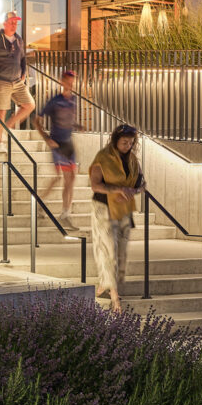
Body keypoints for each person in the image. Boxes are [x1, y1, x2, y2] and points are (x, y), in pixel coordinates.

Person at [89, 124, 144, 312]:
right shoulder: (103, 158)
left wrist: (133, 191)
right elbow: (95, 185)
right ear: (115, 141)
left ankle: (105, 284)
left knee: (119, 252)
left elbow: (141, 183)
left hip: (123, 209)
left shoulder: (133, 160)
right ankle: (115, 298)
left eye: (130, 142)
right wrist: (118, 189)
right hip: (103, 207)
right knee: (108, 250)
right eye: (124, 142)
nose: (127, 145)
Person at [34, 70, 82, 231]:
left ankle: (65, 213)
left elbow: (68, 120)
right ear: (62, 82)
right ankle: (40, 202)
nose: (71, 84)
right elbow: (37, 120)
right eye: (68, 81)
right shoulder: (54, 101)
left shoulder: (73, 100)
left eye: (72, 81)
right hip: (57, 143)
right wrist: (46, 138)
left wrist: (76, 126)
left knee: (72, 177)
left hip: (68, 143)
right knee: (58, 177)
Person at [0, 10, 35, 145]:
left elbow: (22, 57)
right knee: (1, 112)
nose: (14, 25)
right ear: (5, 23)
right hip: (0, 81)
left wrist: (23, 71)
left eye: (16, 23)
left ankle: (8, 126)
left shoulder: (18, 40)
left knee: (29, 105)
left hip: (17, 81)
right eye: (11, 23)